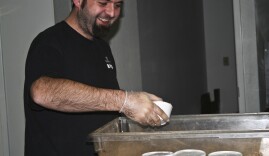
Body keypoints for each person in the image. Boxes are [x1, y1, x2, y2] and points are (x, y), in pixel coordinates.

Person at [24, 0, 169, 156]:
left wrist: (136, 106)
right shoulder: (49, 41)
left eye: (118, 5)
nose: (112, 12)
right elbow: (41, 92)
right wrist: (125, 101)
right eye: (103, 3)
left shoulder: (102, 47)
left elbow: (102, 106)